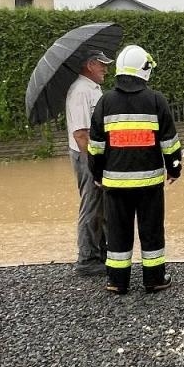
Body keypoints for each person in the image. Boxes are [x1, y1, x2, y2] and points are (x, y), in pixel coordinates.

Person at [88, 45, 181, 292]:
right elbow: (169, 142)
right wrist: (174, 169)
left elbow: (95, 146)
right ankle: (154, 279)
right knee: (151, 231)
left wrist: (97, 175)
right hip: (149, 185)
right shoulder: (156, 100)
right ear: (144, 70)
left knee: (118, 232)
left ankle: (117, 282)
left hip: (115, 186)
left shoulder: (104, 102)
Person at [64, 47, 113, 278]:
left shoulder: (93, 89)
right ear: (89, 65)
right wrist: (95, 166)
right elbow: (81, 134)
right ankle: (87, 259)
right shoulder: (80, 91)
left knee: (101, 206)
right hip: (86, 157)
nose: (105, 67)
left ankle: (101, 255)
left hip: (95, 156)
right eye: (101, 63)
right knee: (91, 206)